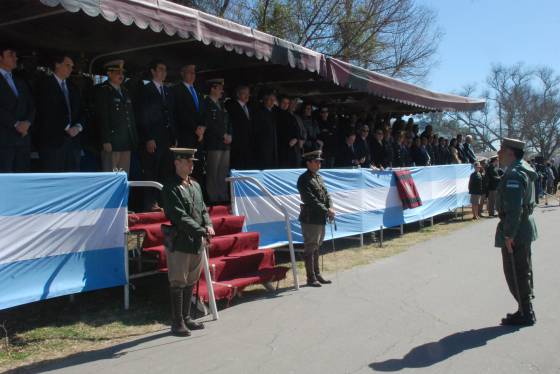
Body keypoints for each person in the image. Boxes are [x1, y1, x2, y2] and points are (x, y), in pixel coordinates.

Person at [161, 147, 215, 336]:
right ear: (177, 162)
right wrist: (201, 230)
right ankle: (177, 322)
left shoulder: (195, 185)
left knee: (191, 279)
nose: (192, 165)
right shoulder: (170, 187)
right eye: (188, 162)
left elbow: (202, 210)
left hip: (196, 241)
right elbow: (179, 216)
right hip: (180, 241)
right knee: (178, 280)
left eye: (193, 162)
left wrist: (208, 224)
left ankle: (187, 317)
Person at [495, 138, 538, 326]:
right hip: (522, 227)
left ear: (511, 152)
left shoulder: (514, 174)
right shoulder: (522, 169)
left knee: (515, 271)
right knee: (522, 269)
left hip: (516, 229)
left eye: (501, 150)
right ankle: (525, 309)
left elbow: (514, 208)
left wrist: (509, 235)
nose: (498, 153)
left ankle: (526, 313)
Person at [35, 54, 84, 172]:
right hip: (52, 143)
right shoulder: (43, 85)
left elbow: (82, 111)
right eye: (68, 65)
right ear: (57, 64)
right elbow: (45, 111)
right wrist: (66, 127)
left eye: (72, 66)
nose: (71, 69)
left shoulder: (73, 87)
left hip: (73, 144)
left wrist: (78, 127)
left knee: (72, 180)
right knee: (53, 181)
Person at [138, 60, 176, 210]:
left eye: (165, 70)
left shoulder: (167, 91)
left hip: (166, 137)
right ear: (153, 71)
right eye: (160, 69)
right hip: (153, 137)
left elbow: (171, 114)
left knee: (166, 171)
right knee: (151, 171)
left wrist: (174, 137)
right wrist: (148, 137)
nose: (164, 72)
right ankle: (150, 202)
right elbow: (142, 116)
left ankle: (163, 200)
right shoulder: (146, 89)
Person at [297, 150, 335, 287]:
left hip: (320, 217)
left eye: (320, 161)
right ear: (308, 163)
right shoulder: (303, 179)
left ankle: (317, 274)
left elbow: (326, 194)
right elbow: (310, 200)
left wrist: (330, 207)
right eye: (316, 161)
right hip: (310, 218)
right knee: (310, 247)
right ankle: (310, 277)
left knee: (317, 246)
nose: (319, 164)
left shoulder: (318, 177)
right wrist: (327, 210)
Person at [95, 59, 138, 174]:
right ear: (109, 73)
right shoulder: (102, 91)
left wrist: (133, 139)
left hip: (125, 142)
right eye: (117, 72)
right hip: (112, 142)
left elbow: (130, 117)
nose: (121, 75)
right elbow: (102, 117)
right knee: (111, 175)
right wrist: (106, 140)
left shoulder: (125, 91)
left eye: (122, 73)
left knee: (123, 176)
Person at [0, 44, 34, 172]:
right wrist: (15, 124)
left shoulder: (20, 81)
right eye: (10, 55)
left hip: (23, 140)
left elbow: (32, 105)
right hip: (3, 141)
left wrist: (27, 122)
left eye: (15, 55)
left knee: (23, 179)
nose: (15, 58)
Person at [202, 78, 231, 203]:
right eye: (219, 88)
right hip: (214, 143)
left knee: (223, 171)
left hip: (225, 144)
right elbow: (209, 123)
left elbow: (228, 121)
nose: (221, 91)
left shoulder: (222, 104)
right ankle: (213, 197)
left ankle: (222, 196)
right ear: (212, 88)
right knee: (213, 172)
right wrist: (223, 135)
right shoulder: (206, 103)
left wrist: (230, 135)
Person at [173, 64, 204, 148]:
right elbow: (181, 112)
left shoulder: (198, 91)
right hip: (185, 135)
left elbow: (203, 112)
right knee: (185, 160)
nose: (192, 75)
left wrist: (203, 127)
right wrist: (195, 128)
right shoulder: (176, 90)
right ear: (182, 73)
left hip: (199, 136)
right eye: (189, 72)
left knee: (198, 160)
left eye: (194, 72)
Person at [226, 85, 252, 170]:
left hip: (246, 143)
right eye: (244, 93)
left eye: (248, 93)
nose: (247, 96)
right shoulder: (231, 105)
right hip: (236, 143)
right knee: (237, 167)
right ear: (238, 94)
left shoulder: (248, 107)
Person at [253, 90, 278, 169]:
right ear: (265, 100)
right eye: (270, 100)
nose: (272, 102)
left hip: (272, 145)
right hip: (263, 145)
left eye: (273, 100)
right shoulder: (260, 112)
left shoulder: (273, 112)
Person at [276, 96, 301, 168]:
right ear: (279, 103)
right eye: (283, 103)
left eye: (287, 103)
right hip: (280, 146)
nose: (285, 105)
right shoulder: (275, 114)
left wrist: (296, 138)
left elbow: (297, 130)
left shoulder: (291, 116)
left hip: (291, 146)